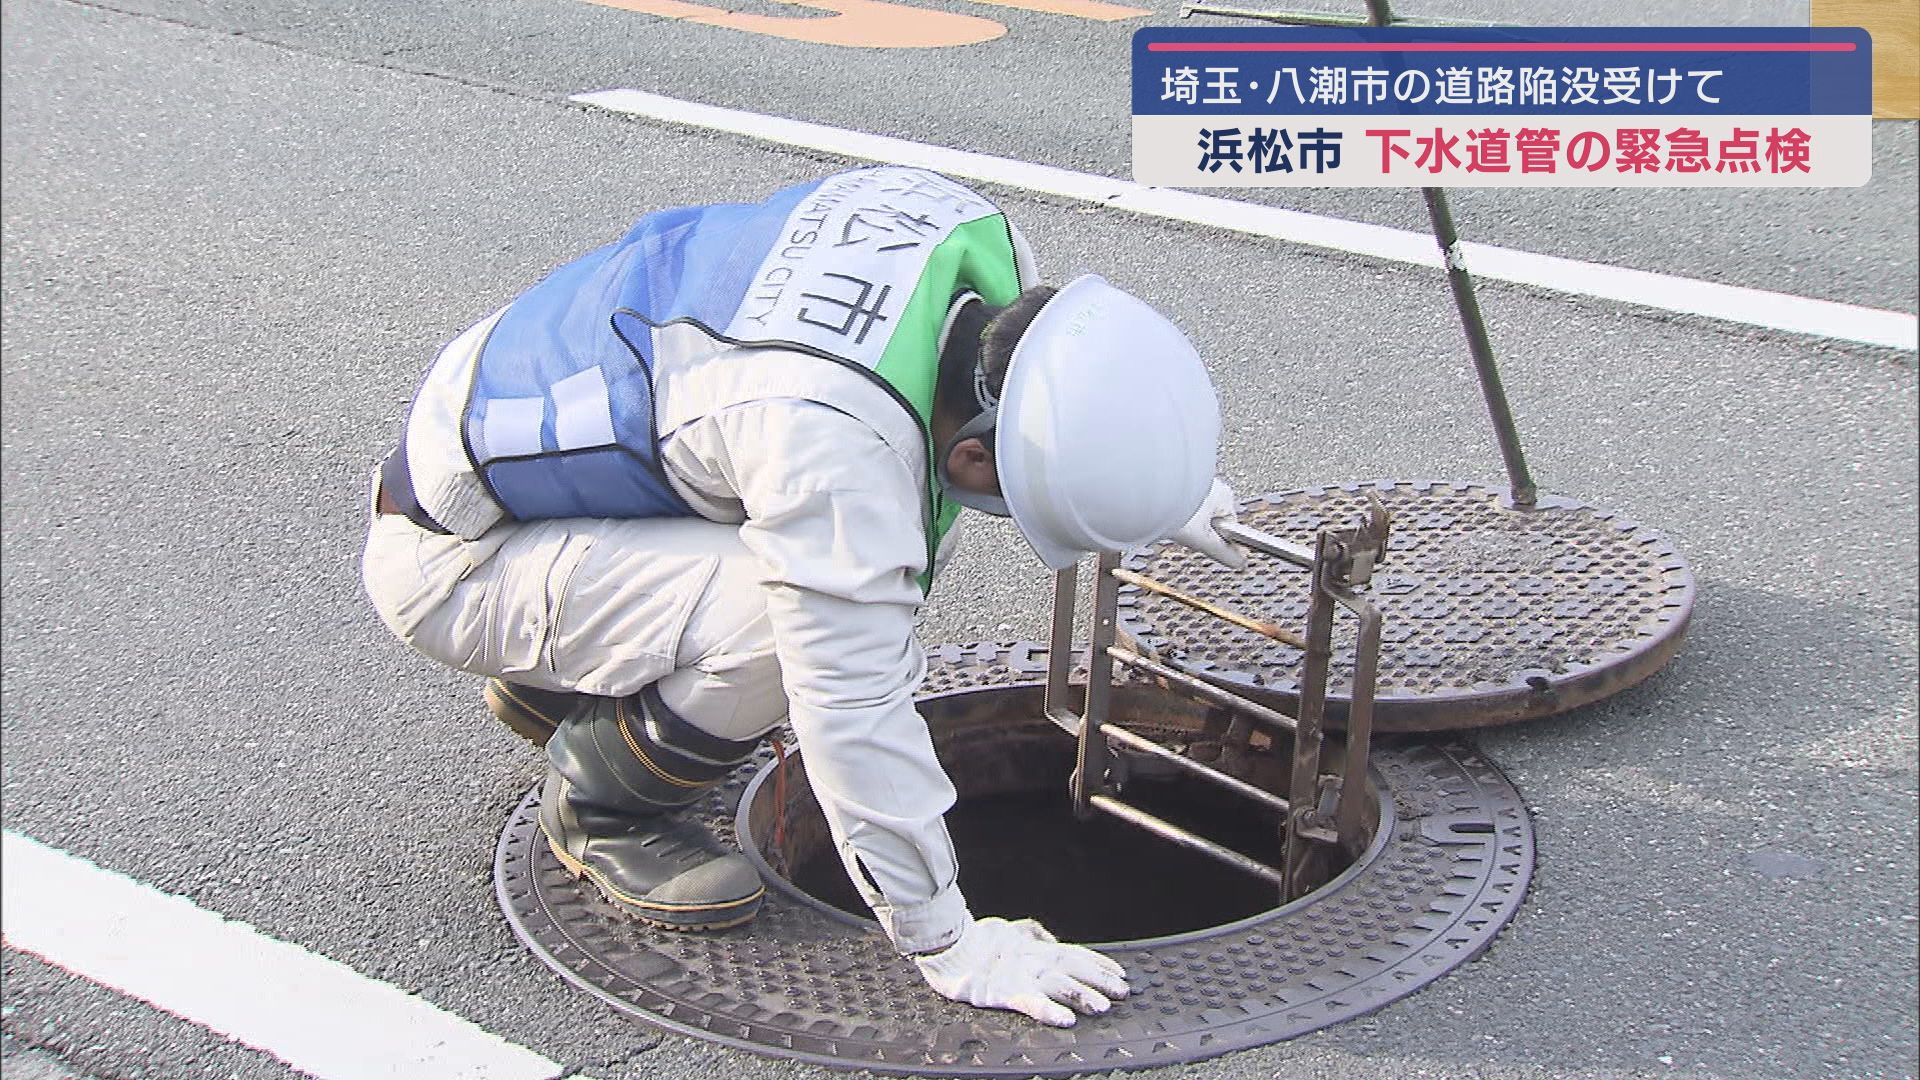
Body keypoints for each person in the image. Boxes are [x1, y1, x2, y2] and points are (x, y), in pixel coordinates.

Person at [362, 165, 1245, 1028]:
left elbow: (1067, 391)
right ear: (975, 460)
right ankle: (599, 804)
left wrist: (1160, 490)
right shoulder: (835, 450)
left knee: (802, 565)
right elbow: (851, 708)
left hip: (519, 410)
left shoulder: (972, 242)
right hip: (454, 553)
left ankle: (583, 673)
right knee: (787, 632)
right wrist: (951, 945)